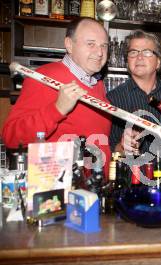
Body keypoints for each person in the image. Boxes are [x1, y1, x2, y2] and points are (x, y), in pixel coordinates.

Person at [2, 17, 111, 168]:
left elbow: (98, 139)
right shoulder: (44, 77)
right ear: (69, 45)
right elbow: (11, 136)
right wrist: (57, 109)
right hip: (61, 188)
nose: (99, 52)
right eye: (90, 44)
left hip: (96, 187)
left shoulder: (97, 84)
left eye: (104, 45)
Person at [107, 30, 161, 188]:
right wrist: (123, 147)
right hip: (128, 184)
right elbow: (110, 149)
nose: (139, 57)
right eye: (133, 52)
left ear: (158, 62)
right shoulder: (113, 98)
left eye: (147, 52)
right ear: (127, 60)